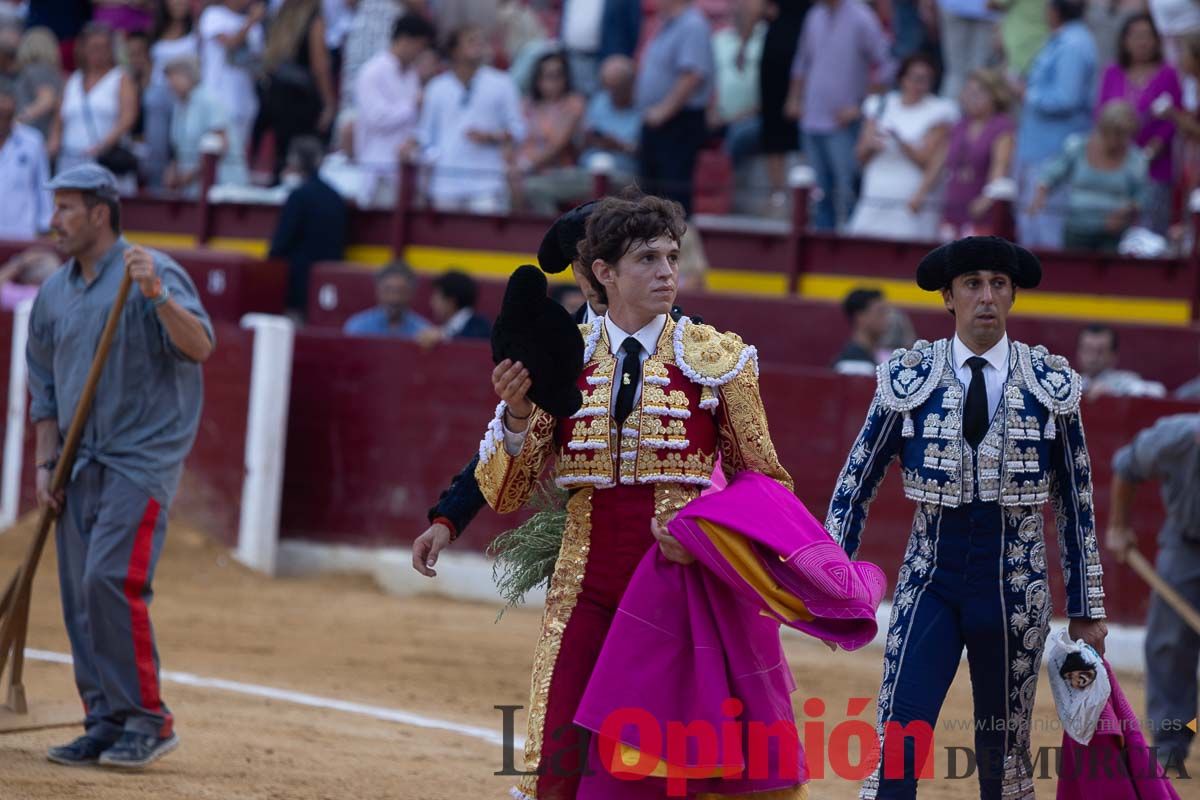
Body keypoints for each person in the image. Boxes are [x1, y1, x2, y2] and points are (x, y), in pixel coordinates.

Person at [471, 193, 794, 799]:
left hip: (679, 586)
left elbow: (766, 482)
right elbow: (507, 492)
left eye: (672, 256)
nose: (668, 271)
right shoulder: (560, 361)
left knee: (665, 765)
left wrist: (706, 536)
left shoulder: (718, 361)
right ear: (605, 273)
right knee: (559, 753)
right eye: (648, 258)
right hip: (584, 584)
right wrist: (516, 416)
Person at [826, 235, 1108, 799]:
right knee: (900, 742)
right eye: (973, 285)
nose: (986, 297)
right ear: (948, 298)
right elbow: (855, 482)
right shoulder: (909, 378)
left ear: (1012, 296)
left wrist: (1086, 610)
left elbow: (1077, 505)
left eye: (998, 285)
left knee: (1001, 757)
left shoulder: (1051, 386)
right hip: (930, 578)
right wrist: (829, 583)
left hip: (1015, 587)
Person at [27, 163, 213, 769]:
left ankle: (148, 720)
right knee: (82, 595)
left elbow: (200, 346)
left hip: (141, 457)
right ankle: (104, 720)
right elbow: (45, 389)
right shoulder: (54, 293)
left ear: (100, 214)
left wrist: (157, 294)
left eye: (65, 209)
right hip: (78, 462)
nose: (53, 221)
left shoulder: (148, 270)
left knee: (109, 578)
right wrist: (44, 462)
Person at [1107, 413, 1200, 776]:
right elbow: (1127, 466)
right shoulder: (1175, 437)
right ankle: (1171, 745)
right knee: (1169, 644)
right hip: (1185, 541)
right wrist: (1117, 527)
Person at [786, 0, 893, 231]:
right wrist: (794, 98)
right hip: (811, 116)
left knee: (847, 190)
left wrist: (860, 105)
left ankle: (850, 245)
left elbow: (887, 66)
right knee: (818, 192)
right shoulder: (814, 14)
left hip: (844, 123)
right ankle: (823, 243)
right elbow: (802, 60)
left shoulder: (862, 17)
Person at [847, 53, 958, 241]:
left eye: (925, 79)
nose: (919, 84)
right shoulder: (880, 105)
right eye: (915, 78)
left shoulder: (940, 111)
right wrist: (871, 146)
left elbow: (927, 160)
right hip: (875, 194)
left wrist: (899, 140)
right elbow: (860, 156)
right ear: (902, 78)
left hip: (911, 199)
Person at [1014, 0, 1098, 249]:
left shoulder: (1073, 45)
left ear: (1054, 11)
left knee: (1048, 226)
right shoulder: (1063, 39)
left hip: (1055, 150)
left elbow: (1065, 97)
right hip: (1038, 146)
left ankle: (1046, 284)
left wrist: (1025, 94)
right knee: (1030, 223)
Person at [415, 25, 526, 212]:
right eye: (471, 41)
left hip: (488, 182)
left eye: (481, 41)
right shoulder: (436, 87)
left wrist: (491, 136)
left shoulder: (502, 83)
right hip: (445, 183)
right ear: (454, 50)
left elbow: (519, 130)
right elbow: (425, 135)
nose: (479, 46)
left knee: (486, 239)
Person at [1097, 13, 1181, 234]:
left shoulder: (1168, 73)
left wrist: (1148, 153)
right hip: (1115, 164)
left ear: (1157, 40)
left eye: (1147, 36)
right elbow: (1101, 113)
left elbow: (1173, 120)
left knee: (1148, 231)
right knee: (1112, 228)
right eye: (1135, 36)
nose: (1142, 42)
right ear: (1124, 41)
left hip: (1154, 166)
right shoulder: (1112, 72)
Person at [1029, 101, 1149, 253]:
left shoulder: (1136, 159)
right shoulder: (1078, 147)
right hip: (1077, 229)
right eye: (1117, 133)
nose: (1121, 141)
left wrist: (1127, 211)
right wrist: (1041, 193)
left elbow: (1142, 197)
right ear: (1103, 129)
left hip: (1113, 236)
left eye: (1126, 135)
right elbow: (1052, 173)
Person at [634, 0, 715, 215]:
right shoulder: (667, 25)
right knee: (650, 196)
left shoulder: (692, 25)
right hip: (658, 120)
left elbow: (692, 75)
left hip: (678, 120)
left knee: (673, 195)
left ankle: (676, 246)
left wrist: (664, 111)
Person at [352, 13, 435, 209]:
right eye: (420, 46)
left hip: (407, 168)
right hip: (379, 168)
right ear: (405, 40)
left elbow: (416, 123)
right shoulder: (372, 72)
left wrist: (415, 140)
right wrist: (412, 105)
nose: (420, 53)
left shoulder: (412, 75)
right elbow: (376, 117)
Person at [50, 23, 140, 191]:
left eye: (103, 47)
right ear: (83, 49)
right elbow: (59, 118)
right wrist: (53, 146)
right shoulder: (72, 81)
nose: (99, 53)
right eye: (94, 47)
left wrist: (104, 144)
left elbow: (128, 117)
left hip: (104, 160)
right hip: (71, 160)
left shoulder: (120, 78)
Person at [256, 0, 337, 182]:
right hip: (304, 102)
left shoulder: (280, 18)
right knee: (306, 166)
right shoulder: (314, 19)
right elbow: (319, 64)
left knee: (283, 161)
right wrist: (329, 103)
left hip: (278, 103)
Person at [268, 136, 347, 316]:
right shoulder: (335, 196)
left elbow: (282, 241)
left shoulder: (299, 196)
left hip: (297, 280)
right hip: (330, 278)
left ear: (294, 162)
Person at [940, 68, 1015, 238]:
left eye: (978, 93)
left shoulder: (1002, 127)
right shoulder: (959, 125)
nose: (971, 98)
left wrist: (985, 200)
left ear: (995, 96)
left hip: (982, 212)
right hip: (953, 207)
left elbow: (1000, 168)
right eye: (968, 92)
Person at [163, 55, 249, 196]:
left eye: (173, 77)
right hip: (192, 188)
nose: (170, 84)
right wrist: (173, 170)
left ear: (187, 76)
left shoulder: (208, 100)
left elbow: (220, 144)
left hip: (223, 186)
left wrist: (191, 174)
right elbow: (179, 148)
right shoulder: (179, 105)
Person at [514, 50, 586, 214]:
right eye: (548, 76)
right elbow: (513, 137)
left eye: (558, 75)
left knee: (531, 187)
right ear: (538, 79)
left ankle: (549, 237)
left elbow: (556, 145)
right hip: (524, 169)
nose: (554, 82)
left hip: (558, 172)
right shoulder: (526, 104)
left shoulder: (573, 103)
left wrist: (525, 166)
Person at [198, 0, 265, 153]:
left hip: (245, 103)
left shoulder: (257, 28)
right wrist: (251, 21)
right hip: (217, 100)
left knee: (236, 158)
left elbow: (257, 65)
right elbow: (230, 44)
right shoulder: (213, 15)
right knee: (213, 154)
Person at [758, 0, 805, 211]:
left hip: (803, 50)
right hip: (778, 54)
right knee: (773, 125)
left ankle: (802, 193)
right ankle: (779, 194)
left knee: (805, 127)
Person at [710, 0, 767, 169]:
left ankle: (721, 184)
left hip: (756, 116)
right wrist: (710, 110)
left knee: (739, 134)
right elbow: (705, 80)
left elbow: (775, 88)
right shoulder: (718, 39)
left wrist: (748, 113)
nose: (738, 7)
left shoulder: (768, 37)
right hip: (718, 115)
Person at [0, 84, 52, 240]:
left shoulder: (32, 140)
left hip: (22, 234)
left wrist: (44, 226)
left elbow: (43, 185)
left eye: (7, 114)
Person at [579, 54, 641, 179]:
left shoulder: (645, 107)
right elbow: (585, 137)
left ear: (631, 84)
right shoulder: (599, 100)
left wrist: (620, 146)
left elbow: (646, 152)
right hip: (589, 166)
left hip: (624, 172)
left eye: (617, 88)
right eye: (608, 87)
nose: (612, 93)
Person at [1075, 323, 1167, 397]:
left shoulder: (1123, 381)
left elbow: (1159, 391)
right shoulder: (1073, 383)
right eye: (1088, 350)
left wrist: (1113, 393)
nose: (1093, 357)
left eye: (1100, 351)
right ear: (1079, 352)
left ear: (1113, 356)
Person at [342, 262, 432, 337]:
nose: (394, 298)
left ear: (412, 293)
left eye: (401, 291)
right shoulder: (357, 328)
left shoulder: (424, 331)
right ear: (378, 291)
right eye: (388, 290)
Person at [937, 0, 998, 102]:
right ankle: (953, 113)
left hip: (984, 10)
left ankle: (958, 113)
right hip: (984, 9)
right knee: (973, 71)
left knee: (961, 72)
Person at [416, 269, 492, 345]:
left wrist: (443, 336)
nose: (432, 303)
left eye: (436, 297)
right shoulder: (447, 328)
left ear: (451, 302)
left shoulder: (480, 327)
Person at [15, 27, 65, 140]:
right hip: (43, 134)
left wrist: (17, 120)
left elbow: (47, 100)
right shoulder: (52, 72)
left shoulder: (37, 68)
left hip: (32, 133)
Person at [833, 287, 889, 375]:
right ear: (860, 317)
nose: (886, 318)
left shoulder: (870, 354)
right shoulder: (853, 363)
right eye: (880, 312)